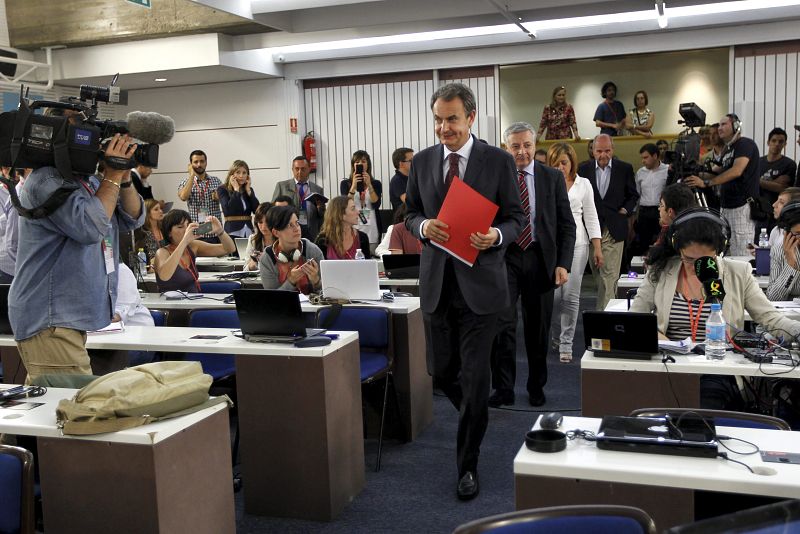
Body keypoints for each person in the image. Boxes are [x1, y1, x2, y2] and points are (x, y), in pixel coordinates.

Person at [405, 83, 525, 500]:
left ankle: (467, 465)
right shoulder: (421, 162)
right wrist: (422, 226)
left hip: (482, 289)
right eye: (438, 119)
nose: (443, 127)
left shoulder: (496, 160)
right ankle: (475, 418)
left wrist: (496, 234)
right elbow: (410, 214)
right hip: (438, 285)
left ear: (470, 117)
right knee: (441, 372)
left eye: (452, 118)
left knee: (476, 380)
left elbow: (516, 218)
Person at [632, 208, 800, 410]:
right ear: (678, 248)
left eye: (705, 261)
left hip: (717, 370)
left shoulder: (738, 273)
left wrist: (798, 333)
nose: (695, 267)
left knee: (705, 403)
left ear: (720, 251)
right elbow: (635, 320)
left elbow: (771, 318)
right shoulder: (661, 270)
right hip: (668, 364)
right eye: (688, 259)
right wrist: (662, 340)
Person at [9, 134, 143, 380]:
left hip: (66, 319)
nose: (93, 142)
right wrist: (111, 176)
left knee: (58, 407)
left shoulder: (88, 182)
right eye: (85, 133)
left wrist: (123, 179)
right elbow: (90, 228)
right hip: (50, 319)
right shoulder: (47, 180)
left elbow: (133, 217)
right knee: (75, 411)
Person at [489, 122, 576, 408]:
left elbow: (567, 225)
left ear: (535, 145)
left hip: (541, 259)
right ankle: (503, 388)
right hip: (506, 257)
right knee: (503, 325)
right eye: (515, 146)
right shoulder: (496, 178)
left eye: (527, 145)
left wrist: (563, 263)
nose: (522, 152)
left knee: (538, 328)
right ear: (506, 148)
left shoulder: (552, 177)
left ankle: (536, 386)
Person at [547, 142, 603, 364]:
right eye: (555, 163)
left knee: (570, 297)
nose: (560, 167)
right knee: (553, 297)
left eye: (564, 162)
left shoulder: (584, 184)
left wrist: (597, 247)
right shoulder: (547, 183)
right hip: (552, 246)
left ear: (571, 163)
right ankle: (554, 335)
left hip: (578, 246)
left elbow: (591, 217)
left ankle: (566, 342)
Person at [684, 114, 760, 256]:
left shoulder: (745, 144)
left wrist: (707, 183)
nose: (719, 128)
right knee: (726, 250)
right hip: (726, 206)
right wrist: (693, 174)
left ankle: (743, 278)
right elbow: (715, 172)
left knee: (742, 252)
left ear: (736, 126)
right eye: (719, 125)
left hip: (741, 206)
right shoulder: (728, 150)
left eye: (724, 124)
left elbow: (736, 171)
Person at [578, 134, 638, 310]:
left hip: (614, 229)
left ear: (613, 150)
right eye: (599, 151)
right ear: (592, 151)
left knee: (609, 275)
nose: (603, 155)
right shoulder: (583, 169)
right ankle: (606, 312)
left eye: (607, 150)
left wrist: (624, 211)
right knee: (598, 275)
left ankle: (605, 318)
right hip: (590, 229)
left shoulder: (624, 168)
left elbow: (633, 195)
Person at [153, 209, 235, 293]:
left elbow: (229, 249)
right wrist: (184, 241)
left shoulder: (193, 246)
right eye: (180, 227)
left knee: (235, 287)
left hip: (194, 296)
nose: (186, 230)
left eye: (188, 225)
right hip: (174, 303)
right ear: (169, 232)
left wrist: (220, 231)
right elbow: (164, 276)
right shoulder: (162, 252)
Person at [259, 205, 323, 294]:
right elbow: (272, 299)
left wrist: (316, 281)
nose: (296, 229)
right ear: (276, 232)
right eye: (290, 225)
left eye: (297, 223)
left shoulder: (312, 250)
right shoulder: (267, 258)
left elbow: (329, 292)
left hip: (312, 307)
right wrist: (291, 281)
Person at [272, 156, 324, 239]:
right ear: (292, 169)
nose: (299, 172)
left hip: (311, 234)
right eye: (297, 169)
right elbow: (273, 212)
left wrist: (320, 209)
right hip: (288, 232)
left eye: (303, 169)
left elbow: (322, 216)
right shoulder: (282, 186)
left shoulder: (317, 189)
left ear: (309, 169)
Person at [177, 149, 223, 242]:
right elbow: (183, 197)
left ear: (206, 163)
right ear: (190, 165)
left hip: (215, 233)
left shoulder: (216, 181)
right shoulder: (185, 182)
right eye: (196, 162)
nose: (199, 165)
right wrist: (191, 176)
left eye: (202, 161)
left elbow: (224, 199)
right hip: (196, 234)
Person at [632, 143, 669, 256]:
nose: (643, 161)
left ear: (655, 156)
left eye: (646, 157)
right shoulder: (640, 172)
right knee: (643, 243)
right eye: (642, 158)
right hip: (644, 212)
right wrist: (633, 215)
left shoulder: (667, 170)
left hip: (661, 211)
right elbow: (636, 194)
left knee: (663, 242)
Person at [757, 127, 796, 233]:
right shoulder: (758, 162)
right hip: (758, 211)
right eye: (774, 141)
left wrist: (758, 181)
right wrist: (774, 183)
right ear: (768, 142)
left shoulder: (789, 164)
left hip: (777, 213)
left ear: (785, 144)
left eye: (781, 141)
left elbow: (783, 188)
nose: (777, 144)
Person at [340, 150, 383, 246]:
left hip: (372, 229)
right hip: (353, 227)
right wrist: (353, 186)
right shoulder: (345, 184)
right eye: (357, 162)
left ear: (368, 164)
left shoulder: (376, 183)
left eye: (363, 161)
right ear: (353, 165)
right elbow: (344, 205)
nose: (360, 164)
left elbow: (376, 204)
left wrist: (369, 185)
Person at [315, 195, 371, 259]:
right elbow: (318, 267)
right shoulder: (323, 239)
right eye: (353, 209)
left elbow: (368, 267)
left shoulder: (362, 238)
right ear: (340, 214)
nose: (358, 212)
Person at [766, 195, 800, 300]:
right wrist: (790, 265)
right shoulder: (779, 250)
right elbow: (772, 298)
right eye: (798, 233)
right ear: (787, 234)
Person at [0, 168, 31, 284]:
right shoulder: (19, 194)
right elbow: (12, 244)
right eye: (6, 168)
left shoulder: (20, 189)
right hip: (11, 267)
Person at [217, 159, 259, 238]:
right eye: (238, 172)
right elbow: (228, 210)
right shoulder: (223, 189)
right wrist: (236, 190)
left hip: (248, 230)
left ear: (248, 176)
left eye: (244, 173)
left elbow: (257, 211)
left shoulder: (248, 189)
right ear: (232, 175)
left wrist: (249, 191)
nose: (241, 176)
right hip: (232, 230)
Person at [650, 183, 699, 250]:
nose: (659, 208)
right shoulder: (697, 226)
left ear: (670, 211)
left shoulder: (678, 238)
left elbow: (657, 256)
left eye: (661, 205)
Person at [134, 198, 169, 270]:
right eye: (156, 209)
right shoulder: (143, 232)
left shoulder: (164, 228)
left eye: (160, 208)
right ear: (148, 213)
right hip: (152, 269)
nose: (161, 211)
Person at [244, 202, 274, 271]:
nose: (263, 227)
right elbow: (245, 269)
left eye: (267, 222)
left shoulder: (282, 238)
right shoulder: (253, 239)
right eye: (260, 222)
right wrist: (251, 265)